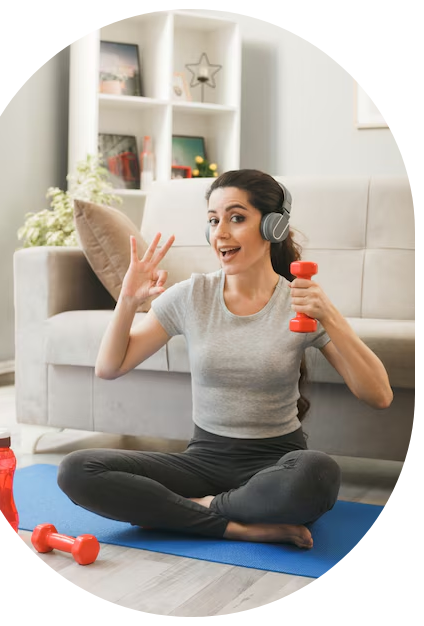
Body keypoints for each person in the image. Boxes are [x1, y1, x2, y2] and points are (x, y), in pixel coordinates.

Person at [57, 169, 393, 549]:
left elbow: (379, 395)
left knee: (318, 472)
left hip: (276, 464)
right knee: (76, 470)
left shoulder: (298, 303)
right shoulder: (191, 296)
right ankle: (237, 526)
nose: (220, 233)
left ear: (272, 227)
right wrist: (128, 301)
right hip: (202, 460)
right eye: (213, 221)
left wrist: (330, 315)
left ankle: (194, 511)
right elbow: (110, 367)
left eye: (236, 218)